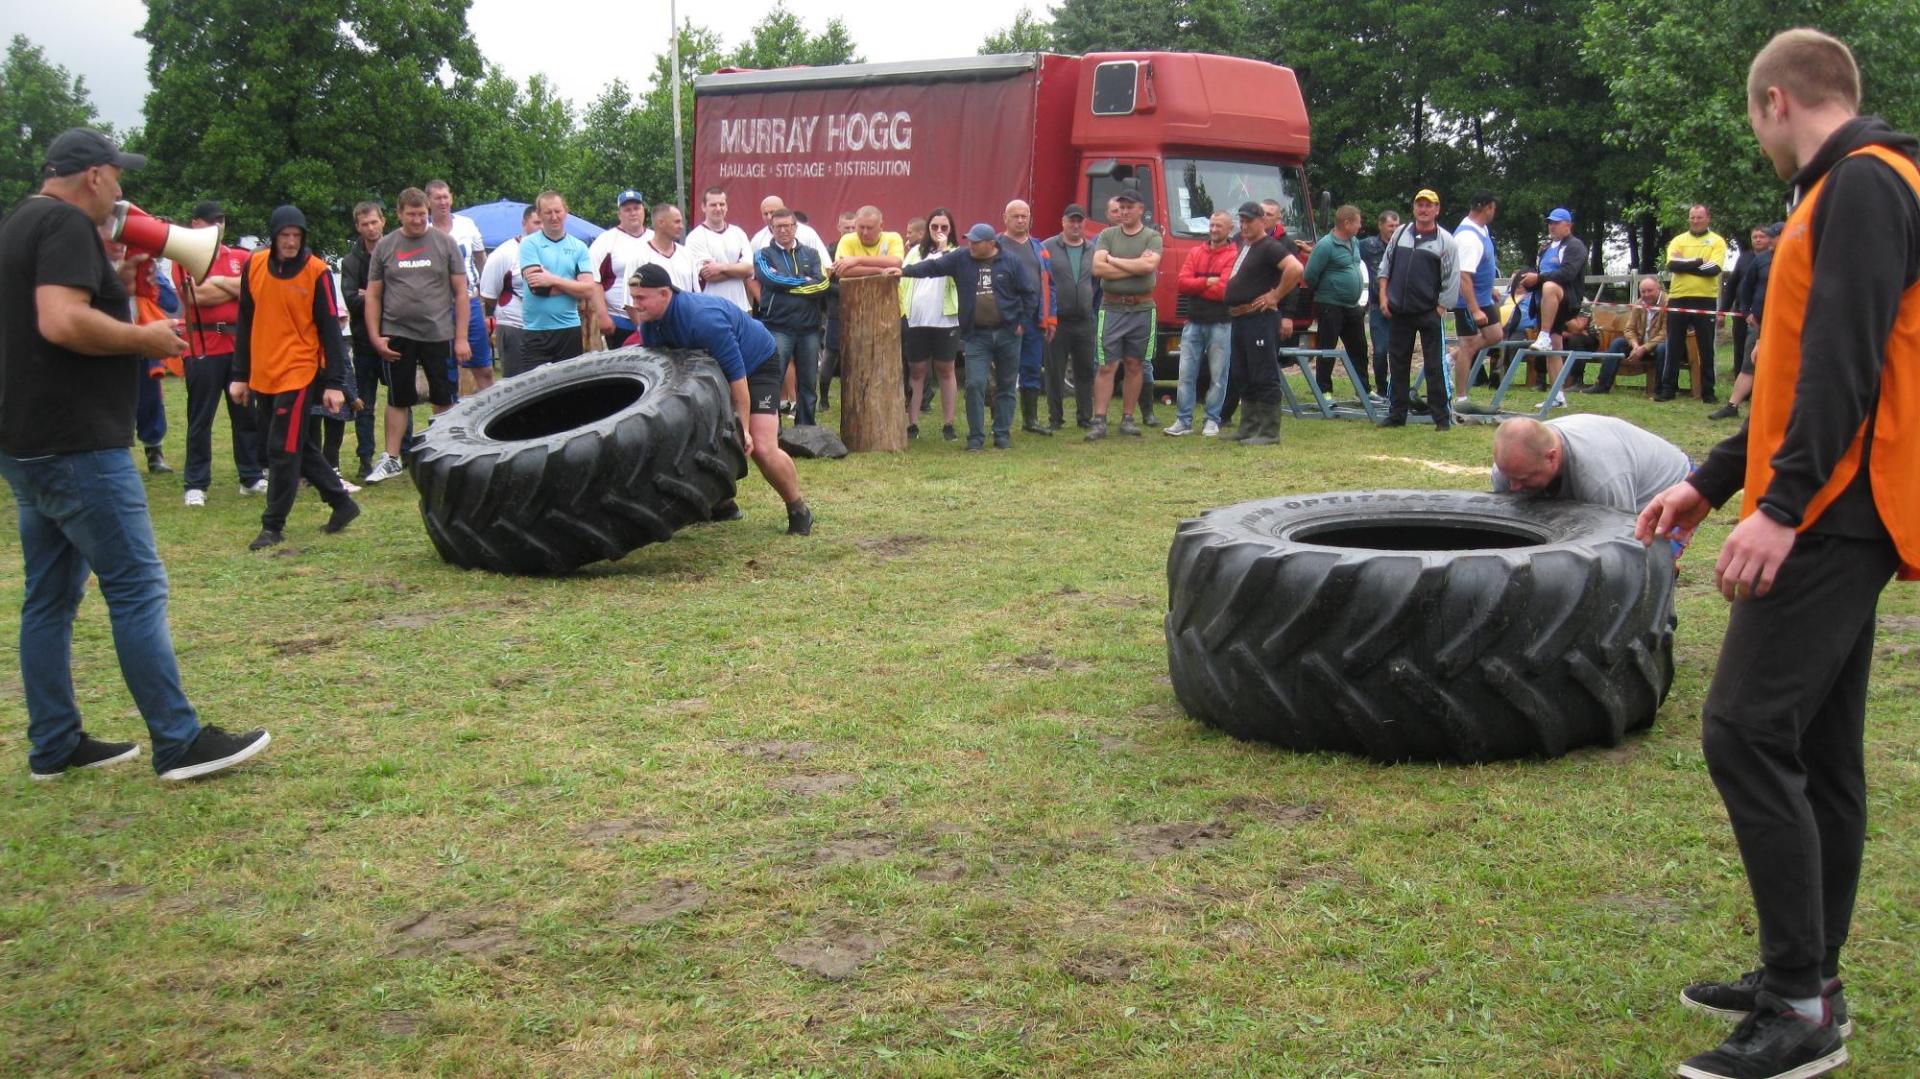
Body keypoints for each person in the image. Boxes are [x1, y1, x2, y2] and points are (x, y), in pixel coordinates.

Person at [1636, 29, 1917, 1079]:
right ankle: (1807, 975)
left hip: (1838, 506)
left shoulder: (1865, 184)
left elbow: (1845, 361)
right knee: (1818, 748)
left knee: (1746, 729)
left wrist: (1783, 506)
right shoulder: (1847, 188)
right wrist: (1714, 480)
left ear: (1776, 101)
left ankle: (1801, 1007)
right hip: (1842, 501)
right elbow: (1798, 372)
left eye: (1754, 118)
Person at [0, 127, 270, 781]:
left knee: (49, 597)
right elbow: (61, 320)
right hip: (79, 442)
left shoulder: (20, 223)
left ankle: (54, 744)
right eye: (118, 175)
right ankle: (178, 741)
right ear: (94, 175)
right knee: (137, 587)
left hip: (27, 441)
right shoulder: (66, 223)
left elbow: (50, 315)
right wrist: (143, 338)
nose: (121, 188)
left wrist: (116, 283)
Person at [628, 262, 813, 535]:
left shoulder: (704, 319)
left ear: (665, 294)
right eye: (633, 298)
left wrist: (744, 428)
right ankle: (724, 506)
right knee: (693, 438)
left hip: (757, 365)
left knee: (761, 447)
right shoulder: (650, 327)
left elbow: (738, 377)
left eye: (641, 298)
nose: (635, 305)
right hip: (712, 373)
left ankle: (799, 509)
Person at [228, 205, 361, 550]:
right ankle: (341, 502)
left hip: (300, 371)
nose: (290, 242)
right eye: (285, 235)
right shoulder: (255, 265)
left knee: (281, 449)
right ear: (273, 236)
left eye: (296, 236)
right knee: (296, 443)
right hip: (264, 372)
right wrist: (240, 374)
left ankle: (272, 526)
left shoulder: (316, 272)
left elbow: (330, 328)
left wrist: (335, 383)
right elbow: (245, 321)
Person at [894, 222, 1038, 451]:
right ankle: (976, 437)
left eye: (976, 242)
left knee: (1007, 385)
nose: (970, 245)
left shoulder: (1010, 261)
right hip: (977, 335)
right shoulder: (961, 258)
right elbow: (933, 267)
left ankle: (1002, 434)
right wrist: (904, 271)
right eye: (969, 240)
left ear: (991, 244)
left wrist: (1023, 323)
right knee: (974, 384)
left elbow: (1029, 293)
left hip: (1008, 332)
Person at [362, 186, 469, 483]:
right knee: (398, 397)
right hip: (397, 332)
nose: (418, 220)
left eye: (422, 214)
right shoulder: (386, 246)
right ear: (399, 214)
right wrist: (375, 336)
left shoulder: (445, 243)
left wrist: (461, 337)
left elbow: (461, 293)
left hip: (438, 332)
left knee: (443, 395)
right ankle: (392, 458)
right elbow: (373, 295)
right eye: (412, 215)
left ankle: (443, 454)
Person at [171, 198, 266, 503]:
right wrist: (233, 287)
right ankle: (196, 483)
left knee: (245, 413)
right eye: (212, 220)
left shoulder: (240, 256)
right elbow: (195, 297)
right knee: (201, 417)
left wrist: (219, 282)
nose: (219, 226)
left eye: (222, 220)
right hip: (203, 344)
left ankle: (251, 476)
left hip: (237, 345)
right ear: (196, 223)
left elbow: (252, 290)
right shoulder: (183, 257)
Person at [1376, 189, 1460, 430]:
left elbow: (1452, 277)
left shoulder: (1446, 241)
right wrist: (1383, 297)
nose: (1423, 210)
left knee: (1435, 366)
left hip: (1428, 312)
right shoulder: (1400, 233)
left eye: (1428, 205)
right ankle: (1397, 415)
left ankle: (1441, 418)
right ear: (1414, 208)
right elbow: (1385, 267)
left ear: (1437, 209)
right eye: (1419, 205)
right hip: (1399, 312)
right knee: (1397, 364)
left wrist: (1441, 307)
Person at [1221, 200, 1303, 445]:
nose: (1244, 225)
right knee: (1243, 372)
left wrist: (1275, 295)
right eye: (1241, 221)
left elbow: (1295, 268)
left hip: (1259, 319)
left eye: (1249, 221)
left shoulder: (1269, 247)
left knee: (1263, 373)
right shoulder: (1247, 245)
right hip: (1240, 319)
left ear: (1262, 221)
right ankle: (1249, 427)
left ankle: (1269, 432)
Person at [1491, 415, 1691, 514]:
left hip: (1668, 488)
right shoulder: (1510, 468)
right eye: (1509, 477)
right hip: (1605, 476)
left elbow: (1620, 541)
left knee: (1650, 564)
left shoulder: (1600, 479)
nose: (1513, 487)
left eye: (1522, 479)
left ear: (1551, 457)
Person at [1087, 181, 1161, 440]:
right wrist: (1135, 265)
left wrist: (1114, 260)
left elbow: (1148, 267)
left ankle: (1128, 418)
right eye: (1121, 207)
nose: (1125, 212)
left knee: (1134, 364)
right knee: (1107, 365)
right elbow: (1098, 269)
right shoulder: (1108, 235)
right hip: (1111, 307)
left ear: (1141, 209)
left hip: (1142, 308)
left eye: (1130, 207)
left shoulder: (1152, 237)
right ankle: (1099, 419)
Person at [753, 208, 829, 425]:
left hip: (809, 328)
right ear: (771, 229)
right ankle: (771, 429)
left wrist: (788, 285)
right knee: (772, 380)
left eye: (788, 226)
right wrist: (805, 280)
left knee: (808, 383)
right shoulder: (763, 255)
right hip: (778, 327)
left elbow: (823, 284)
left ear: (796, 227)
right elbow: (771, 280)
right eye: (778, 226)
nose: (784, 230)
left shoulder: (811, 254)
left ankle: (806, 428)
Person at [1170, 210, 1237, 436]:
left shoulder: (1234, 255)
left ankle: (1212, 419)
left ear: (1230, 229)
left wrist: (1197, 284)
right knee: (1185, 374)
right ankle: (1183, 420)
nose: (1214, 229)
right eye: (1212, 225)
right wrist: (1208, 281)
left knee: (1218, 376)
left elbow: (1225, 290)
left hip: (1221, 322)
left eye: (1219, 226)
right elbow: (1182, 283)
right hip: (1193, 321)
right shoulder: (1195, 252)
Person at [515, 190, 598, 369]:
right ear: (539, 214)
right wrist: (575, 287)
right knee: (535, 384)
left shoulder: (579, 247)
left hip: (569, 329)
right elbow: (538, 288)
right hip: (536, 330)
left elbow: (589, 291)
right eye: (548, 212)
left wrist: (552, 279)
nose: (554, 217)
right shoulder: (529, 244)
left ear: (566, 211)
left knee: (570, 384)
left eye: (558, 211)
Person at [898, 207, 962, 440]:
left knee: (946, 369)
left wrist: (944, 249)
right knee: (917, 371)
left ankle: (948, 424)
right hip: (917, 319)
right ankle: (912, 423)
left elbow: (955, 274)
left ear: (951, 229)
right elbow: (903, 278)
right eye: (934, 226)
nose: (939, 230)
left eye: (944, 227)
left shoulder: (956, 253)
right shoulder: (916, 252)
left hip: (945, 319)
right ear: (927, 228)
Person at [1516, 207, 1589, 404]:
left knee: (1549, 287)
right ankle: (1557, 395)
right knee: (1553, 348)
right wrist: (1527, 281)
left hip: (1567, 300)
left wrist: (1539, 279)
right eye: (1550, 222)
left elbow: (1568, 274)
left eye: (1556, 222)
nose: (1552, 226)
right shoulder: (1545, 249)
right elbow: (1540, 274)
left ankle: (1543, 334)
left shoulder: (1575, 246)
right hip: (1544, 303)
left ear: (1568, 225)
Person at [997, 199, 1056, 436]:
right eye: (1016, 216)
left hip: (1034, 319)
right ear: (1005, 218)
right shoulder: (996, 246)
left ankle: (1030, 420)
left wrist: (1051, 318)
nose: (1021, 220)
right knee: (1004, 370)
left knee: (1031, 368)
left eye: (1025, 216)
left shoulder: (1039, 248)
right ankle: (1000, 422)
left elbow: (1050, 285)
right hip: (1005, 320)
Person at [339, 201, 390, 478]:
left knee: (399, 398)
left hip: (394, 336)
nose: (371, 228)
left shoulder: (396, 251)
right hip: (363, 340)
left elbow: (403, 295)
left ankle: (403, 451)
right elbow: (351, 300)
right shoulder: (350, 262)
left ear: (383, 221)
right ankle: (365, 458)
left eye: (374, 222)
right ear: (357, 227)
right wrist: (381, 294)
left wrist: (368, 293)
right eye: (365, 224)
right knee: (364, 403)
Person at [426, 179, 492, 390]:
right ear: (428, 202)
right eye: (437, 198)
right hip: (438, 307)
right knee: (444, 372)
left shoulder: (467, 224)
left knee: (483, 367)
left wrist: (484, 291)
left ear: (451, 198)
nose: (443, 202)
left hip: (470, 301)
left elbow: (481, 259)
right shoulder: (423, 229)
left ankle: (492, 406)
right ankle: (449, 408)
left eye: (446, 197)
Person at [1303, 204, 1372, 401]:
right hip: (1330, 305)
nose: (1360, 226)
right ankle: (1324, 391)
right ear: (1347, 223)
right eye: (1358, 222)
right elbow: (1310, 275)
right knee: (1327, 348)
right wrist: (1328, 290)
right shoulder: (1325, 245)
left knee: (1359, 348)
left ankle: (1363, 390)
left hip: (1352, 306)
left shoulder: (1354, 242)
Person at [1713, 223, 1782, 420]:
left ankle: (1773, 405)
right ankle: (1732, 406)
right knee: (1749, 363)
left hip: (1784, 321)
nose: (1767, 240)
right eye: (1757, 236)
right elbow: (1743, 287)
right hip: (1759, 322)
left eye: (1770, 236)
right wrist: (1746, 311)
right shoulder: (1760, 260)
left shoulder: (1794, 258)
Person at [1663, 202, 1728, 403]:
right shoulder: (1678, 240)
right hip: (1678, 297)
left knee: (1706, 348)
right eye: (1692, 217)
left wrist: (1686, 263)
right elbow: (1672, 264)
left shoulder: (1717, 241)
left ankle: (1708, 392)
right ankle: (1668, 389)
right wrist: (1699, 261)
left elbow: (1713, 269)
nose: (1696, 221)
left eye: (1699, 217)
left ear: (1707, 218)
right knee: (1673, 345)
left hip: (1705, 298)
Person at [1042, 204, 1099, 431]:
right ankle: (1055, 418)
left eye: (1079, 221)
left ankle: (1085, 417)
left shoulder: (1092, 249)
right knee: (1054, 372)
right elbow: (1042, 280)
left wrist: (1089, 303)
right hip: (1058, 321)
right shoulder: (1048, 247)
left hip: (1085, 320)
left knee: (1085, 370)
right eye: (1071, 221)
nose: (1075, 225)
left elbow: (1097, 281)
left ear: (1084, 223)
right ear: (1063, 222)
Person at [1449, 192, 1503, 411]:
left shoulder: (1482, 230)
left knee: (1495, 335)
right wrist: (1474, 309)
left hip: (1483, 297)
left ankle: (1449, 359)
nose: (1494, 213)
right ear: (1488, 208)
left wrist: (1490, 289)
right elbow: (1463, 276)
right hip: (1468, 301)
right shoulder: (1467, 238)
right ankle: (1461, 398)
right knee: (1468, 346)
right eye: (1494, 208)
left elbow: (1482, 265)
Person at [1582, 276, 1668, 394]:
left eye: (1650, 291)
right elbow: (1629, 329)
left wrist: (1644, 348)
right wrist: (1635, 345)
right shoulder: (1639, 304)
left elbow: (1665, 333)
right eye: (1643, 292)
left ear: (1659, 289)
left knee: (1663, 348)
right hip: (1640, 345)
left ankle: (1659, 391)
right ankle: (1602, 385)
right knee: (1617, 343)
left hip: (1659, 345)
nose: (1646, 294)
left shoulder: (1668, 304)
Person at [478, 204, 537, 377]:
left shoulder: (554, 250)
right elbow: (489, 295)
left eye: (544, 222)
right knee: (518, 382)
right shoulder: (504, 253)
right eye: (536, 222)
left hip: (547, 327)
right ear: (524, 223)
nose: (541, 227)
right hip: (515, 326)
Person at [586, 189, 650, 343]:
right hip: (620, 320)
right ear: (619, 214)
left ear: (643, 211)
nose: (633, 213)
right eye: (627, 210)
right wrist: (602, 316)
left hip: (652, 318)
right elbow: (594, 280)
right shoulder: (606, 241)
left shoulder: (654, 238)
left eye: (636, 208)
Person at [685, 186, 755, 311]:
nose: (718, 208)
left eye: (722, 204)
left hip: (740, 308)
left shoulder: (738, 233)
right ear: (703, 207)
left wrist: (721, 267)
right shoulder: (695, 237)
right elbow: (709, 276)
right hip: (710, 308)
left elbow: (750, 269)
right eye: (713, 205)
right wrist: (739, 269)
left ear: (726, 206)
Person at [1359, 210, 1399, 397]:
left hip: (1400, 306)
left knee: (1398, 351)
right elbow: (1346, 248)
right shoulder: (1367, 245)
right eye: (1391, 226)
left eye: (1397, 226)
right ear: (1381, 225)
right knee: (1381, 350)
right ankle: (1382, 388)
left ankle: (1397, 388)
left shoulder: (1403, 245)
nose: (1394, 229)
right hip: (1377, 305)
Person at [749, 195, 832, 267]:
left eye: (772, 212)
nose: (769, 217)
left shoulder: (807, 233)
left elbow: (826, 265)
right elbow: (751, 271)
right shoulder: (757, 239)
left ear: (784, 209)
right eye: (765, 214)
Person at [636, 202, 700, 293]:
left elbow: (696, 295)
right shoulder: (639, 256)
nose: (681, 226)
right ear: (661, 223)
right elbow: (630, 298)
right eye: (677, 222)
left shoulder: (687, 254)